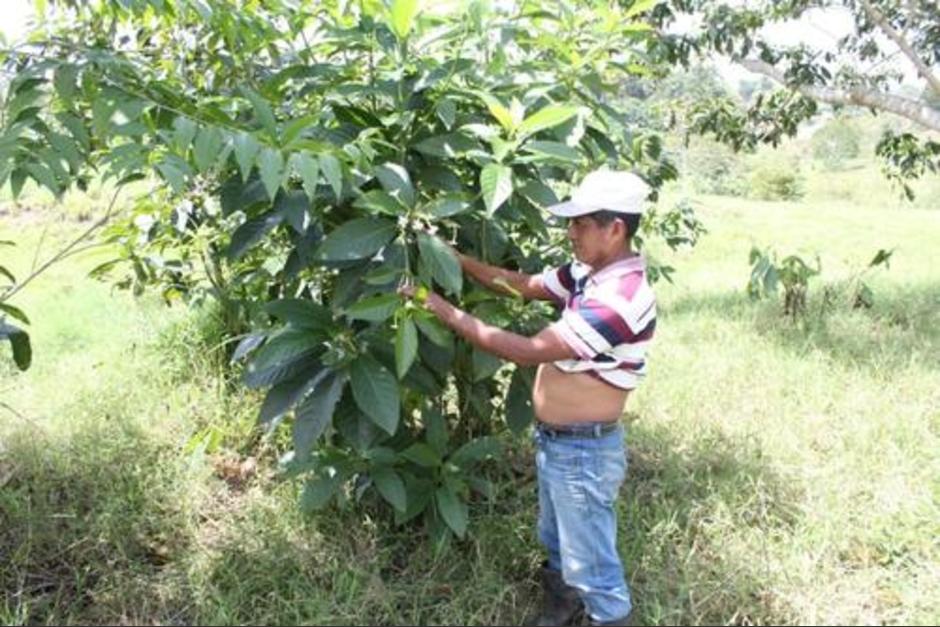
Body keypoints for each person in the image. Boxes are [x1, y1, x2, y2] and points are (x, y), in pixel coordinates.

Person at [401, 170, 656, 626]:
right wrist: (451, 258)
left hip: (585, 450)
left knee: (593, 565)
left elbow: (525, 350)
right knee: (558, 540)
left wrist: (436, 305)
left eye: (580, 223)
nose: (570, 233)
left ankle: (606, 616)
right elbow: (521, 284)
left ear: (615, 228)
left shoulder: (621, 297)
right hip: (559, 442)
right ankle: (563, 606)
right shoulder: (588, 273)